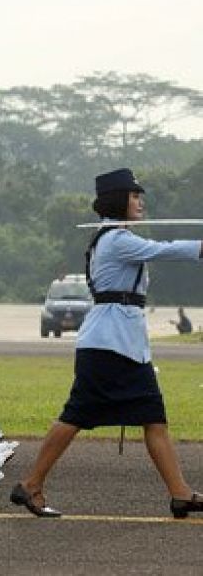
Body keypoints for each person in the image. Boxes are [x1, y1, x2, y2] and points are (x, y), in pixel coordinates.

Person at [11, 168, 203, 519]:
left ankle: (180, 493)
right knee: (77, 415)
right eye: (133, 196)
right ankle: (30, 483)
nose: (140, 201)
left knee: (153, 418)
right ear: (118, 200)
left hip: (124, 344)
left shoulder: (116, 236)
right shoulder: (117, 240)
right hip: (108, 346)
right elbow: (163, 250)